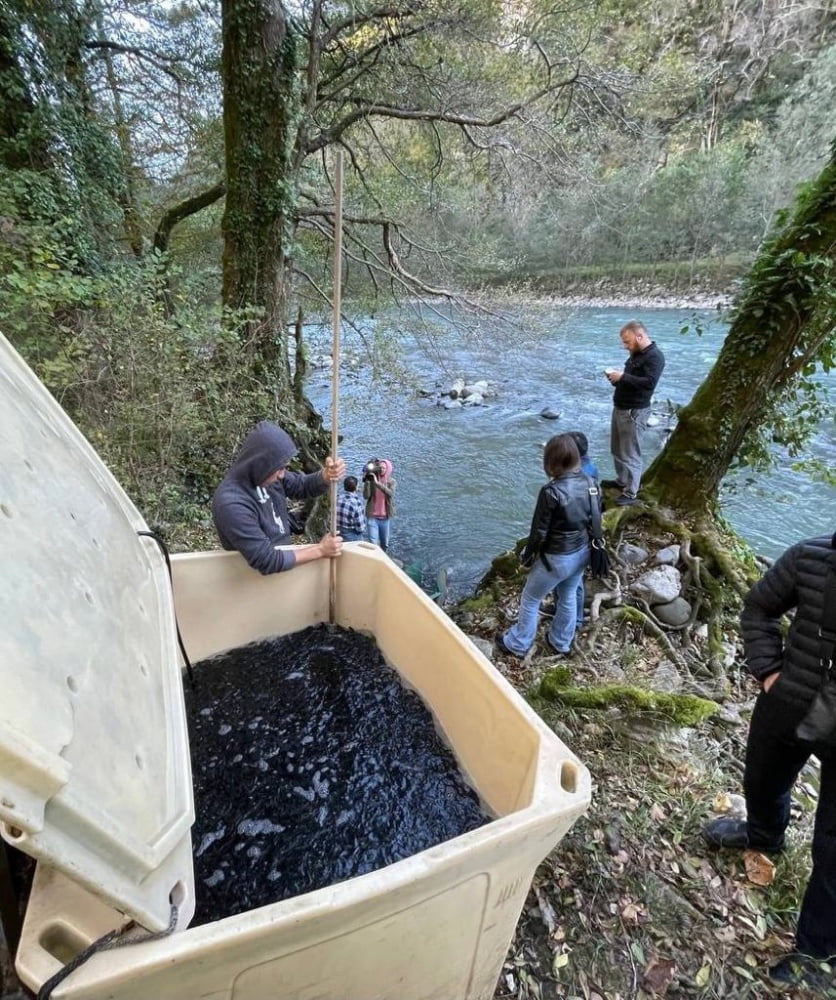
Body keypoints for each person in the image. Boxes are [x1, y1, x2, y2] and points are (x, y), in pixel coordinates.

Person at [702, 532, 836, 990]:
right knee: (762, 780)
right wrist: (770, 671)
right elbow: (759, 607)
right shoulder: (810, 555)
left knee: (834, 847)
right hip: (786, 705)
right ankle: (762, 836)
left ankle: (817, 954)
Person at [496, 433, 598, 658]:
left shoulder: (551, 491)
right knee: (569, 593)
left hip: (557, 558)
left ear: (551, 462)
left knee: (531, 598)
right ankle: (561, 641)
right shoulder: (590, 483)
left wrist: (527, 558)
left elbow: (539, 532)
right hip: (582, 552)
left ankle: (518, 643)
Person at [212, 420, 345, 574]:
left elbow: (301, 486)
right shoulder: (231, 504)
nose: (282, 474)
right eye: (280, 468)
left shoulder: (267, 475)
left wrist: (326, 475)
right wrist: (320, 550)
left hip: (284, 569)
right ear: (261, 464)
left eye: (284, 468)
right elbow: (267, 560)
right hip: (254, 583)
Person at [602, 320, 665, 507]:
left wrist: (622, 376)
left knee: (630, 453)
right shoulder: (635, 354)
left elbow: (648, 383)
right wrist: (616, 380)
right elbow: (632, 380)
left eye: (627, 342)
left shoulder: (655, 357)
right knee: (616, 448)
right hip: (620, 407)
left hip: (634, 411)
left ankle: (631, 493)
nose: (625, 346)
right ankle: (621, 481)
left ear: (640, 336)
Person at [363, 457, 396, 552]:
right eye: (380, 467)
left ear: (388, 469)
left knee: (384, 543)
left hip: (385, 518)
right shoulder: (372, 479)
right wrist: (367, 482)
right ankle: (374, 562)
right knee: (373, 543)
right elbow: (366, 496)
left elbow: (390, 494)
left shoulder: (391, 482)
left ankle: (383, 559)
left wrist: (378, 484)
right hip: (372, 516)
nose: (382, 470)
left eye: (384, 468)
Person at [336, 475, 367, 542]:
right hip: (350, 536)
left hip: (337, 533)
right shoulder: (356, 502)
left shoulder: (337, 498)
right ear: (356, 487)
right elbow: (360, 528)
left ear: (344, 486)